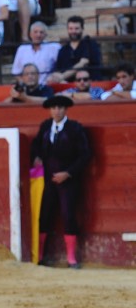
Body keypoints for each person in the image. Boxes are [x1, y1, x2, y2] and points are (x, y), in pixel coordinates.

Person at [30, 95, 90, 268]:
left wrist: (68, 173)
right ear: (50, 110)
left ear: (66, 109)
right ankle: (39, 256)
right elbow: (36, 146)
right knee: (44, 216)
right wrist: (37, 158)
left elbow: (85, 154)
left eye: (60, 107)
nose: (57, 110)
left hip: (68, 181)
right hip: (47, 180)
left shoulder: (75, 128)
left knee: (68, 216)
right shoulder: (45, 126)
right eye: (54, 107)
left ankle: (71, 259)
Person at [50, 15, 102, 83]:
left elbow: (83, 63)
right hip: (67, 86)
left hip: (89, 84)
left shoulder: (90, 44)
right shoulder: (63, 50)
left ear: (82, 29)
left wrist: (62, 77)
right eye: (71, 28)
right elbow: (58, 70)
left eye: (76, 28)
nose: (73, 31)